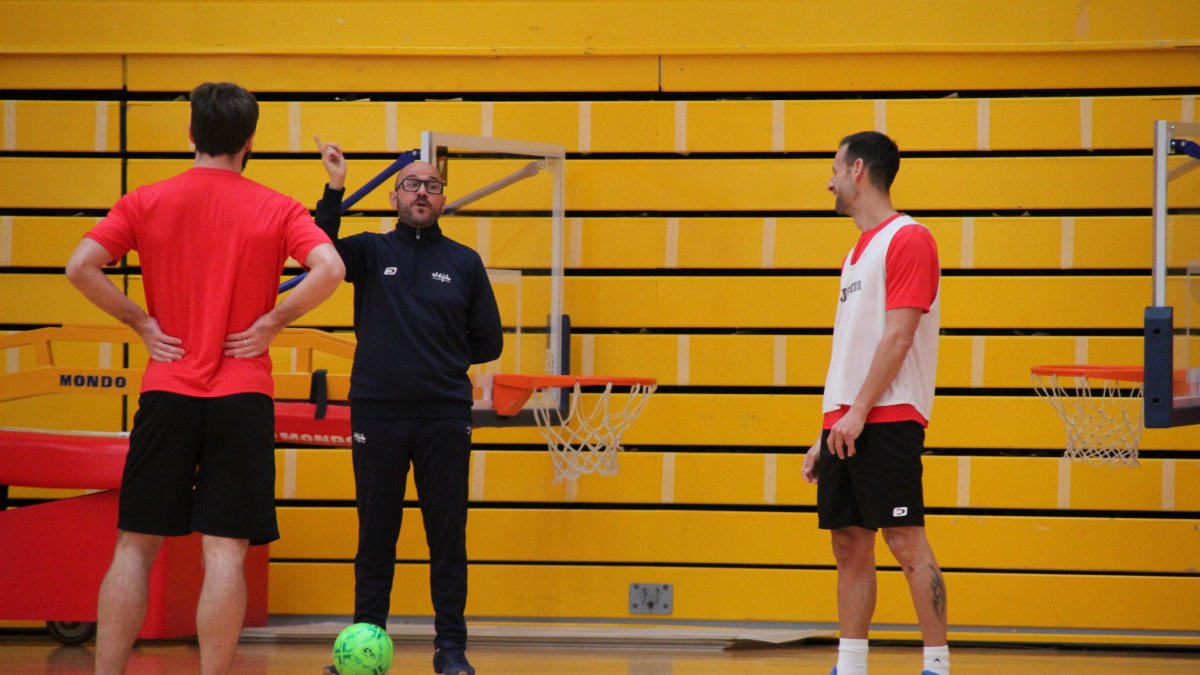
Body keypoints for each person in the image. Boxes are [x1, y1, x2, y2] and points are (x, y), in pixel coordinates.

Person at [65, 82, 345, 675]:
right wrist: (273, 321)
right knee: (225, 554)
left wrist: (141, 322)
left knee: (136, 545)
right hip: (242, 396)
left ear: (191, 133)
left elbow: (80, 266)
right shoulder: (279, 206)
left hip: (166, 391)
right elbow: (331, 268)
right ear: (250, 141)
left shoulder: (145, 200)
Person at [314, 139, 503, 675]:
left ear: (444, 199)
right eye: (412, 185)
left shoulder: (464, 263)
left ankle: (451, 651)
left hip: (443, 415)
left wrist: (436, 358)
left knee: (447, 536)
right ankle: (365, 646)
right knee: (375, 535)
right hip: (377, 412)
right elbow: (317, 247)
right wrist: (335, 187)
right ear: (395, 197)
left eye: (433, 186)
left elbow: (488, 343)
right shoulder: (371, 252)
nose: (423, 192)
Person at [801, 131, 949, 675]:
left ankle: (936, 664)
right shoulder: (856, 252)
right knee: (848, 544)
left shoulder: (909, 238)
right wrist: (830, 426)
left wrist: (861, 411)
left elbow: (899, 337)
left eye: (834, 168)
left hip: (888, 416)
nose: (829, 180)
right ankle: (851, 665)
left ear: (858, 169)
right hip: (847, 417)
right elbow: (853, 348)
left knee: (906, 541)